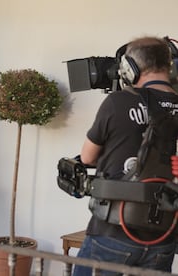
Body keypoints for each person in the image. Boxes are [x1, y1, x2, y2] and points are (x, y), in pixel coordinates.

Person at [73, 36, 178, 275]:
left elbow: (87, 157)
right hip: (164, 235)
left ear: (129, 68)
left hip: (113, 232)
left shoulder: (117, 102)